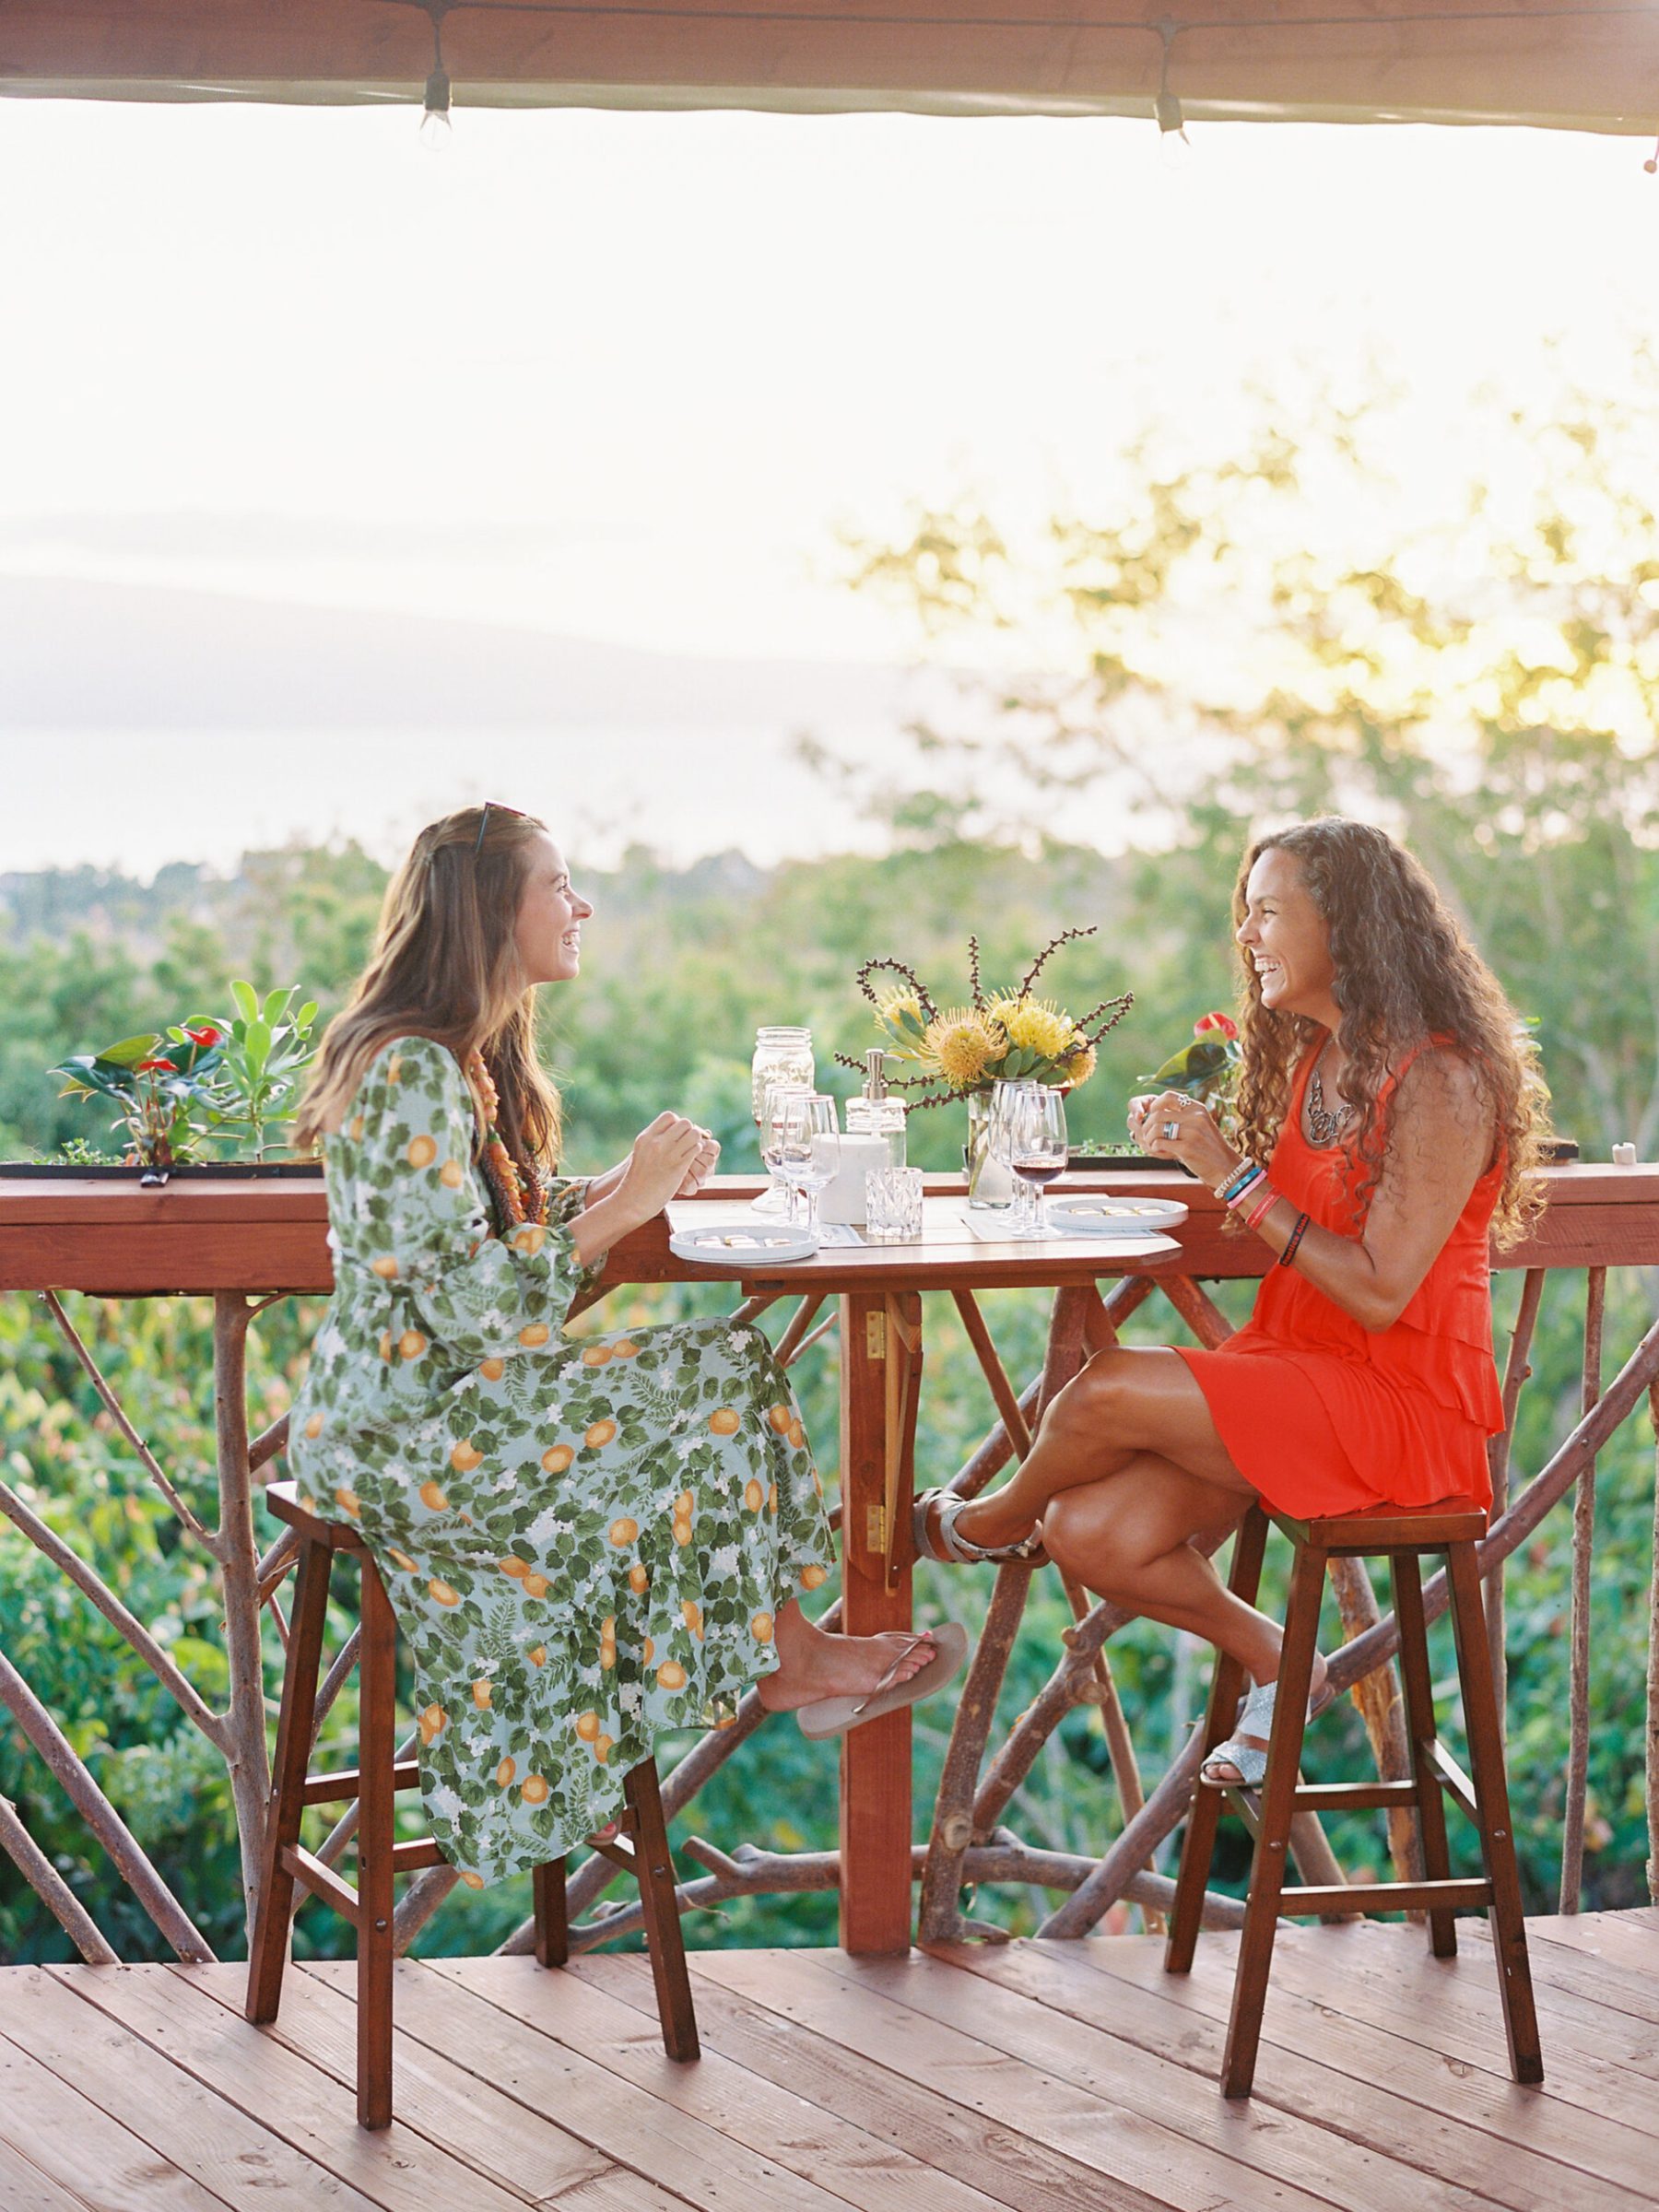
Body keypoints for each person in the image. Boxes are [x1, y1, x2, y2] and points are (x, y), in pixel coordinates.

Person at [288, 803, 961, 1888]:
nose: (582, 905)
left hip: (449, 1411)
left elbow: (482, 1235)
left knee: (725, 1371)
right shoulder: (412, 1069)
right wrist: (624, 1206)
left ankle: (790, 1654)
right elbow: (469, 1308)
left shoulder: (460, 1059)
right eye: (557, 885)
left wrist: (607, 1190)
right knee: (718, 1371)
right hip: (398, 1440)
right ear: (490, 911)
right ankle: (788, 1659)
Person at [914, 816, 1547, 1785]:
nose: (1246, 936)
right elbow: (1307, 1215)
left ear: (1348, 926)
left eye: (1268, 913)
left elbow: (1381, 1293)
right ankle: (1282, 1663)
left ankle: (991, 1525)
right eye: (1245, 915)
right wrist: (1198, 1151)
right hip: (1293, 1368)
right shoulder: (1318, 1059)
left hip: (1401, 1405)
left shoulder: (1443, 1080)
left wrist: (1231, 1174)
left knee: (1103, 1389)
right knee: (1085, 1533)